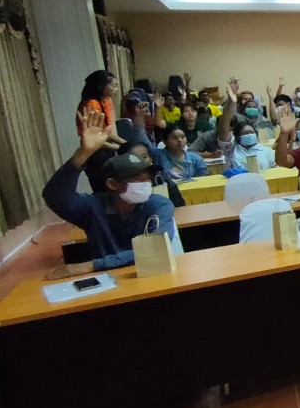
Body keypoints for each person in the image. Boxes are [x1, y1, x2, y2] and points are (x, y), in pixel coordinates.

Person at [43, 107, 181, 277]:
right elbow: (55, 197)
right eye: (137, 179)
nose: (145, 184)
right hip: (108, 281)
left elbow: (155, 248)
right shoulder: (93, 207)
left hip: (151, 277)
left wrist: (94, 265)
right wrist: (82, 154)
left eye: (147, 179)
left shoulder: (159, 204)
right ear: (112, 184)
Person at [214, 79, 275, 171]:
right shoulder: (231, 150)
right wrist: (231, 101)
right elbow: (224, 128)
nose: (249, 135)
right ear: (238, 136)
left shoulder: (267, 151)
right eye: (245, 133)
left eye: (251, 132)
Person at [119, 140, 186, 207]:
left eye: (144, 157)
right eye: (135, 158)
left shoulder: (159, 176)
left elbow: (179, 202)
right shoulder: (120, 182)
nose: (140, 161)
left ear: (151, 158)